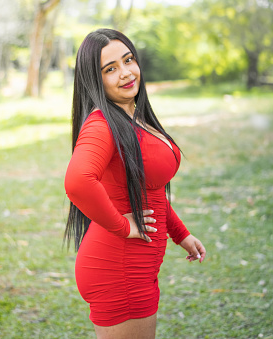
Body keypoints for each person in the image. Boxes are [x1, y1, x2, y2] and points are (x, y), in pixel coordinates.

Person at [63, 28, 206, 339]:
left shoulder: (133, 117)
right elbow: (77, 182)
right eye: (110, 69)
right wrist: (122, 226)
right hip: (118, 267)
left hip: (136, 265)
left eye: (128, 60)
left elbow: (149, 192)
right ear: (95, 80)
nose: (126, 73)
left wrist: (180, 233)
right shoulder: (102, 124)